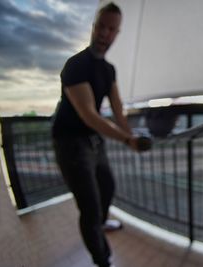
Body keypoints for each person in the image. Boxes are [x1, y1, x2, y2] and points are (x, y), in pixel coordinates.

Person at [51, 3, 149, 267]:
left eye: (112, 29)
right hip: (70, 143)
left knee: (107, 188)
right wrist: (128, 140)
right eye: (101, 26)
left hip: (94, 142)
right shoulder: (75, 65)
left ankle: (100, 225)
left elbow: (118, 111)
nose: (105, 33)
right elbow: (89, 115)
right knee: (90, 207)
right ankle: (103, 260)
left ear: (117, 33)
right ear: (93, 27)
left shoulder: (109, 70)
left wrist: (132, 136)